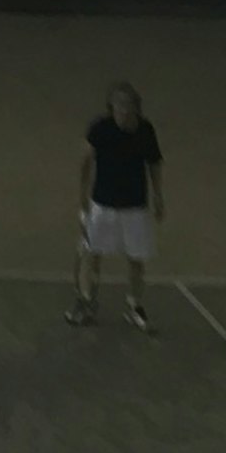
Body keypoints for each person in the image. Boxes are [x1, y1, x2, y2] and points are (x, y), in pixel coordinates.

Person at [73, 82, 165, 328]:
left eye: (128, 106)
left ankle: (135, 306)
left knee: (137, 259)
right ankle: (86, 302)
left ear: (137, 108)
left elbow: (154, 164)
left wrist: (158, 195)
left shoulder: (146, 131)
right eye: (119, 106)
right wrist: (83, 199)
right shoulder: (100, 129)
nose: (123, 111)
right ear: (111, 107)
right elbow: (85, 162)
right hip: (102, 206)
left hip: (136, 208)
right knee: (92, 256)